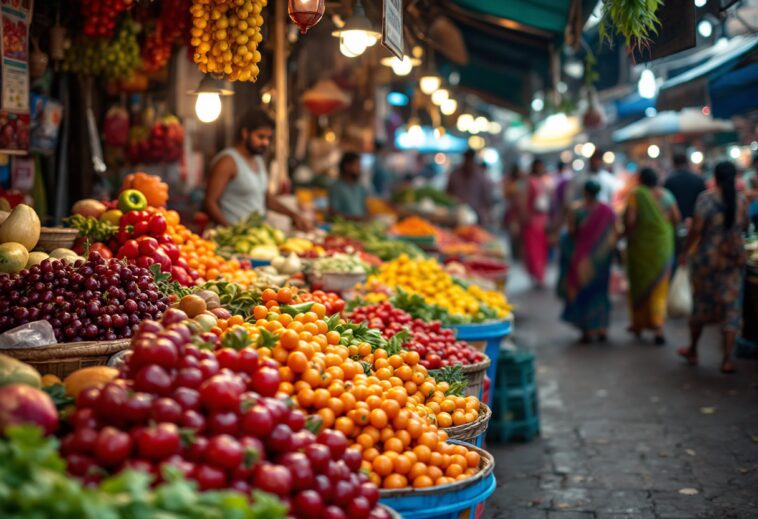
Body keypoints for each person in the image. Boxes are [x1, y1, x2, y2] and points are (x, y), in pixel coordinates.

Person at [678, 161, 748, 374]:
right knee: (731, 308)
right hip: (732, 260)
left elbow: (696, 229)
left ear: (715, 177)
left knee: (701, 304)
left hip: (707, 261)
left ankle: (693, 350)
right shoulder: (742, 200)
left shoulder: (706, 199)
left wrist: (685, 251)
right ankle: (727, 359)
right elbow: (744, 226)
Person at [204, 108, 310, 229]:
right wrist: (231, 230)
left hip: (254, 235)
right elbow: (210, 203)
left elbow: (265, 198)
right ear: (245, 134)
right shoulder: (227, 161)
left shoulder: (258, 161)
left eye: (269, 138)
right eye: (260, 137)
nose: (265, 142)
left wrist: (294, 215)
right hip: (232, 238)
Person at [624, 168, 680, 344]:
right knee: (660, 286)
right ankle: (658, 326)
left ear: (640, 180)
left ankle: (639, 324)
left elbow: (631, 220)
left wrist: (628, 235)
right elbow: (677, 218)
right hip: (663, 245)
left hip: (641, 247)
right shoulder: (666, 195)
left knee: (640, 284)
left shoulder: (636, 194)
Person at [560, 179, 617, 343]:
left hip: (582, 259)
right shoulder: (607, 210)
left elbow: (571, 232)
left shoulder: (577, 210)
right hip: (602, 259)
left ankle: (586, 330)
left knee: (584, 292)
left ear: (585, 192)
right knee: (600, 292)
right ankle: (602, 328)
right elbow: (614, 232)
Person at [521, 159, 550, 287]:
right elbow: (523, 200)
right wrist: (526, 217)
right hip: (532, 221)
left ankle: (540, 275)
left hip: (542, 221)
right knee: (533, 250)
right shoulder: (530, 182)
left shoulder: (544, 181)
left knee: (541, 250)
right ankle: (536, 274)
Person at [446, 149, 493, 224]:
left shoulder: (481, 177)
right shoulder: (455, 175)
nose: (468, 163)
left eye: (470, 160)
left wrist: (486, 214)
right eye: (466, 160)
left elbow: (486, 197)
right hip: (456, 217)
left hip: (476, 216)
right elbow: (447, 193)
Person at [328, 151, 368, 220]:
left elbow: (364, 210)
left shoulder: (360, 188)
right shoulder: (337, 188)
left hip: (361, 227)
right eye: (357, 166)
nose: (359, 169)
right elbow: (333, 213)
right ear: (347, 166)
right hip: (343, 227)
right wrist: (353, 218)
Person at [503, 164, 526, 260]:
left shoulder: (521, 183)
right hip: (512, 212)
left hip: (517, 212)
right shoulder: (510, 183)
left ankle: (517, 253)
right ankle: (515, 254)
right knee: (513, 234)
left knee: (518, 235)